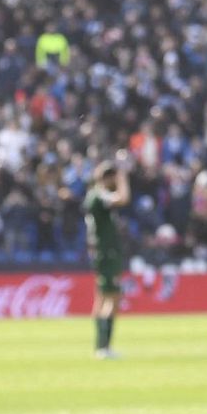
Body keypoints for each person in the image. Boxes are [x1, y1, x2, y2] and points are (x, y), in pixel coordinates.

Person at [83, 153, 130, 358]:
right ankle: (104, 347)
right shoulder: (99, 195)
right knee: (112, 298)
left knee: (101, 299)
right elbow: (123, 198)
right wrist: (123, 178)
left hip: (102, 252)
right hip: (106, 253)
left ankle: (100, 346)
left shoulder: (95, 195)